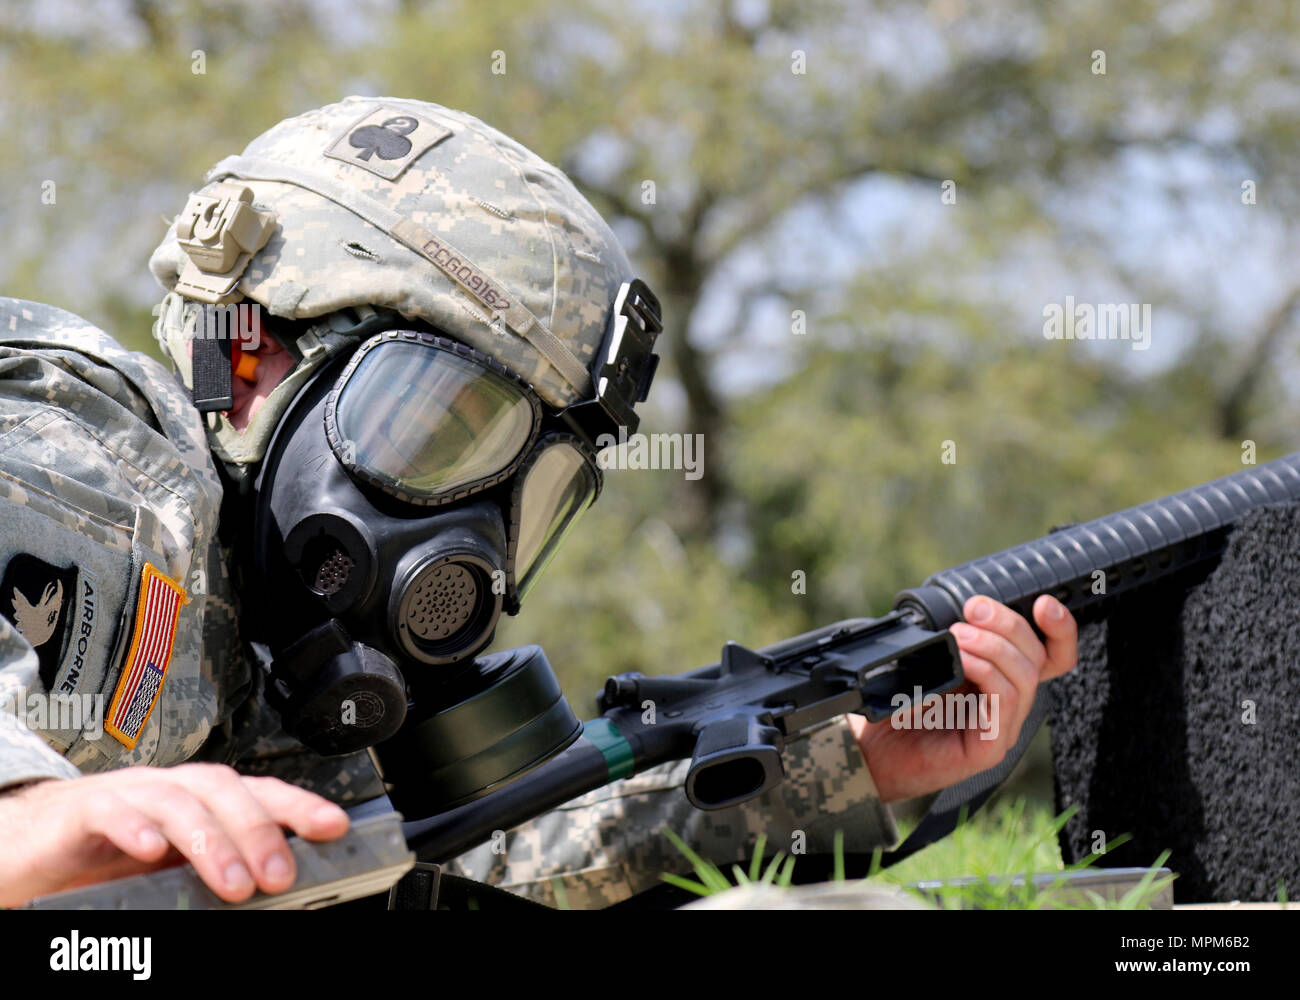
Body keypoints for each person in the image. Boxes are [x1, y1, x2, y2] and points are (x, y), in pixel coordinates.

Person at [0, 97, 1078, 910]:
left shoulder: (278, 653)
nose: (467, 539)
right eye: (434, 429)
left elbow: (456, 867)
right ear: (246, 353)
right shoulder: (101, 453)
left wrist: (853, 761)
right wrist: (28, 810)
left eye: (530, 488)